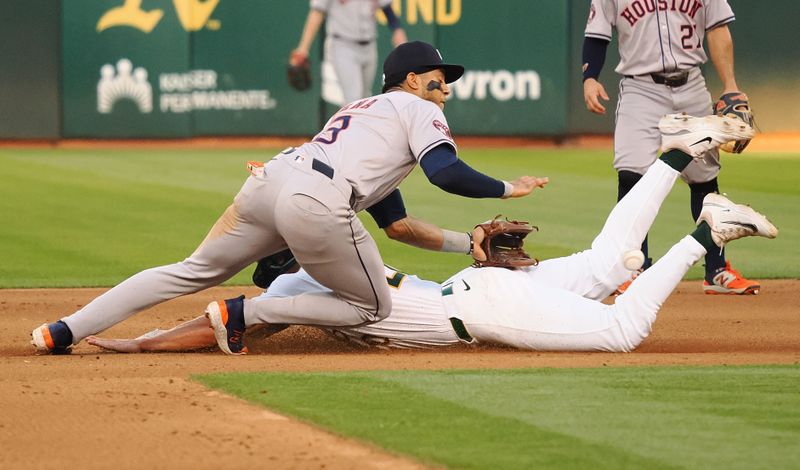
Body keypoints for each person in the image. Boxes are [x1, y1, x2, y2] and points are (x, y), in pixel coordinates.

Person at [88, 114, 776, 354]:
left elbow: (221, 315)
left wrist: (131, 344)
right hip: (467, 291)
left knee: (620, 326)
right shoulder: (328, 271)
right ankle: (680, 155)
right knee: (603, 265)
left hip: (478, 306)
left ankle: (703, 234)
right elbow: (231, 308)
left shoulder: (301, 285)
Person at [31, 41, 547, 355]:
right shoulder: (416, 110)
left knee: (190, 270)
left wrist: (467, 243)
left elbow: (398, 226)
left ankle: (62, 330)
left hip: (275, 178)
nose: (446, 88)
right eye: (439, 79)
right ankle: (246, 316)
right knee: (372, 307)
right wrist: (508, 188)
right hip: (316, 199)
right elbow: (446, 172)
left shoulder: (363, 112)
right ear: (411, 80)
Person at [582, 0, 758, 295]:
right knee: (632, 175)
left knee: (704, 179)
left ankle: (716, 271)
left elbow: (718, 29)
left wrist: (729, 83)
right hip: (641, 89)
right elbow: (597, 35)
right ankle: (634, 268)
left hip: (691, 85)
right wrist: (590, 79)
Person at [290, 0, 407, 104]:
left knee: (365, 98)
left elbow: (387, 9)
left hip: (369, 46)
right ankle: (353, 127)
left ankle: (353, 127)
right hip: (343, 45)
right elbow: (317, 12)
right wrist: (303, 47)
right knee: (353, 98)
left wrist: (397, 29)